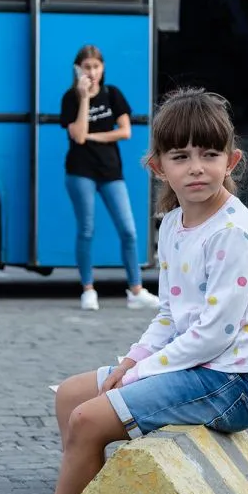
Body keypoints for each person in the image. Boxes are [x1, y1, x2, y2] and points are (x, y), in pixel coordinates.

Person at [0, 88, 248, 494]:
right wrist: (131, 360)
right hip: (199, 367)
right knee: (71, 395)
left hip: (235, 382)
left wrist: (136, 375)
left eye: (209, 154)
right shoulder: (175, 223)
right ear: (158, 167)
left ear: (232, 161)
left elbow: (211, 337)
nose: (197, 168)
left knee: (88, 418)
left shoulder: (235, 235)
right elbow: (170, 313)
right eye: (180, 156)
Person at [61, 44, 160, 312]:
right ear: (78, 69)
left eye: (96, 67)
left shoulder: (112, 94)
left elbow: (125, 131)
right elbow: (78, 135)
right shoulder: (70, 98)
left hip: (110, 172)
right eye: (87, 67)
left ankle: (136, 290)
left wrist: (93, 136)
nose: (92, 72)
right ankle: (88, 289)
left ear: (102, 68)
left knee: (128, 230)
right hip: (80, 172)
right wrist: (84, 98)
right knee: (86, 230)